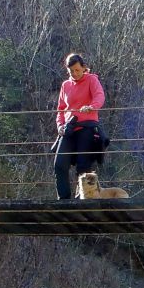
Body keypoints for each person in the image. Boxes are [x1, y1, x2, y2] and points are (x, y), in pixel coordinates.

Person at [54, 53, 106, 200]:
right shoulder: (66, 85)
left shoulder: (91, 79)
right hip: (69, 128)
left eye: (77, 70)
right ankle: (63, 200)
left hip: (87, 127)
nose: (75, 74)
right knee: (59, 164)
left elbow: (99, 96)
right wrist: (60, 126)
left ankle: (82, 200)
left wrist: (91, 107)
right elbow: (61, 109)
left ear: (83, 68)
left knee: (84, 166)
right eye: (71, 71)